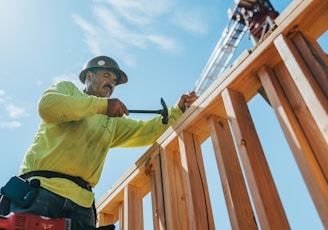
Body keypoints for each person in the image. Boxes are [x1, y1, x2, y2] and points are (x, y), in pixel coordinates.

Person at [0, 56, 198, 228]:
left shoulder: (110, 121)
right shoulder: (68, 91)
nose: (111, 83)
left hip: (82, 205)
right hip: (41, 191)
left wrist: (176, 111)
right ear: (89, 76)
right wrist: (102, 105)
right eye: (107, 76)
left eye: (114, 81)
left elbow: (145, 132)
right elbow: (47, 106)